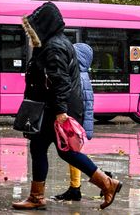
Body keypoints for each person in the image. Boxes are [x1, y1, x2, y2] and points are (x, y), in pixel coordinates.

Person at [12, 2, 122, 210]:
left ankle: (107, 183)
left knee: (65, 151)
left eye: (34, 27)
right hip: (50, 107)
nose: (31, 32)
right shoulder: (50, 44)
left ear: (44, 25)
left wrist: (61, 112)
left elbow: (60, 81)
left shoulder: (54, 47)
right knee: (39, 147)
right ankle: (37, 196)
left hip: (55, 109)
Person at [53, 43, 94, 201]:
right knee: (74, 154)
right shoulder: (82, 76)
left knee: (74, 154)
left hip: (74, 120)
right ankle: (75, 187)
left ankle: (103, 179)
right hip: (77, 120)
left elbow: (86, 103)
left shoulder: (78, 77)